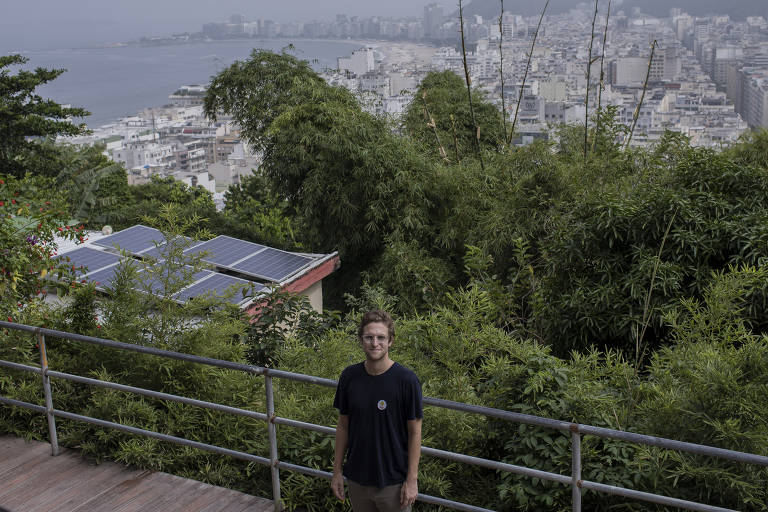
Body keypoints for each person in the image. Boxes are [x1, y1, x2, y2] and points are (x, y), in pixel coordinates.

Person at [331, 310, 423, 511]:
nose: (375, 343)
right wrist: (337, 472)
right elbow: (343, 426)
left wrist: (412, 480)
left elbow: (415, 433)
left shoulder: (407, 381)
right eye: (369, 337)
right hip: (357, 480)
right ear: (361, 340)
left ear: (391, 341)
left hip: (394, 484)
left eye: (381, 337)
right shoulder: (349, 376)